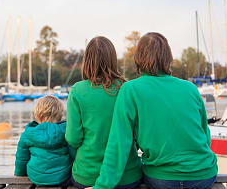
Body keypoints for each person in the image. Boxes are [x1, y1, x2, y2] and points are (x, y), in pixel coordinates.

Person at [92, 32, 218, 189]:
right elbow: (205, 136)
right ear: (168, 57)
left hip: (163, 178)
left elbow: (118, 144)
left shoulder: (130, 89)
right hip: (203, 175)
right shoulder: (190, 88)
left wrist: (102, 186)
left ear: (138, 58)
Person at [66, 36, 142, 189]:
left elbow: (73, 138)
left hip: (87, 176)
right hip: (128, 176)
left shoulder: (77, 91)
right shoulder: (126, 88)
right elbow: (139, 137)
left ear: (87, 60)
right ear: (113, 59)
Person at [14, 95, 75, 186]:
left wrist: (19, 174)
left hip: (37, 177)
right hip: (63, 177)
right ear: (60, 114)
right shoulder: (66, 131)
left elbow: (22, 159)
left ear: (37, 114)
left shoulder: (28, 134)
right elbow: (74, 154)